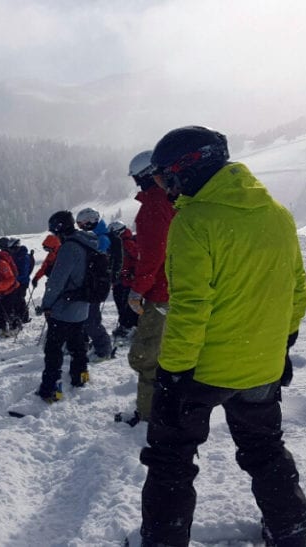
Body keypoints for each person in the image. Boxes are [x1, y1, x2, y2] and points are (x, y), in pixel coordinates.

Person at [138, 126, 306, 547]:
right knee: (265, 450)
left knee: (171, 460)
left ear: (187, 170)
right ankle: (289, 531)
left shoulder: (194, 222)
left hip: (201, 372)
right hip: (261, 368)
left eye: (164, 178)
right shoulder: (277, 214)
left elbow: (191, 307)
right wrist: (283, 346)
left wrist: (174, 373)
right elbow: (298, 290)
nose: (165, 188)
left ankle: (164, 540)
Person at [117, 150, 175, 428]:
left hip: (160, 293)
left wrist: (137, 290)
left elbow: (151, 255)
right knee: (170, 353)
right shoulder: (176, 199)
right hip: (180, 288)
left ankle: (148, 415)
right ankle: (168, 406)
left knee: (146, 356)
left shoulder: (153, 205)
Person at [35, 210, 97, 402]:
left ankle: (51, 388)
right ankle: (80, 375)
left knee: (53, 350)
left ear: (59, 229)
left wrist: (46, 304)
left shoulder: (69, 248)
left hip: (64, 308)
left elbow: (57, 281)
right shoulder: (88, 243)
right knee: (77, 345)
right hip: (82, 307)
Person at [75, 207, 113, 361]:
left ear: (91, 222)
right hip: (90, 284)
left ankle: (104, 349)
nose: (81, 228)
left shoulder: (102, 239)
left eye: (82, 224)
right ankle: (97, 346)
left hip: (95, 285)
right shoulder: (96, 236)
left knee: (91, 320)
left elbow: (97, 263)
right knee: (87, 318)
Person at [107, 220, 139, 340]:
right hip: (120, 280)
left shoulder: (128, 244)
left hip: (129, 281)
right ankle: (125, 326)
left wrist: (131, 273)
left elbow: (138, 260)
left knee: (128, 305)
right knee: (121, 303)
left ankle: (130, 327)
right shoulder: (116, 244)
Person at [0, 236, 34, 324]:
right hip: (15, 281)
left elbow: (23, 273)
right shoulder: (14, 255)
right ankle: (18, 315)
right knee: (16, 299)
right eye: (10, 249)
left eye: (12, 249)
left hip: (22, 282)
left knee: (20, 299)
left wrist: (10, 278)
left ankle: (24, 317)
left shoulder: (24, 257)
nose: (11, 251)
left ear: (16, 247)